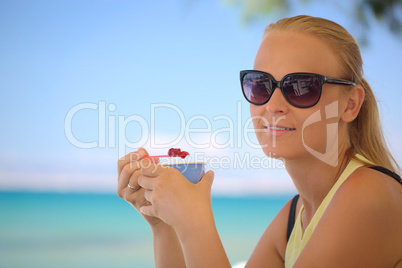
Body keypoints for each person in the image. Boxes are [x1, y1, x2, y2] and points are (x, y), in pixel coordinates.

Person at [117, 15, 402, 267]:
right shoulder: (293, 219)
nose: (273, 105)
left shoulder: (370, 195)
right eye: (261, 85)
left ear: (350, 104)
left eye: (301, 87)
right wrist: (163, 224)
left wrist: (194, 223)